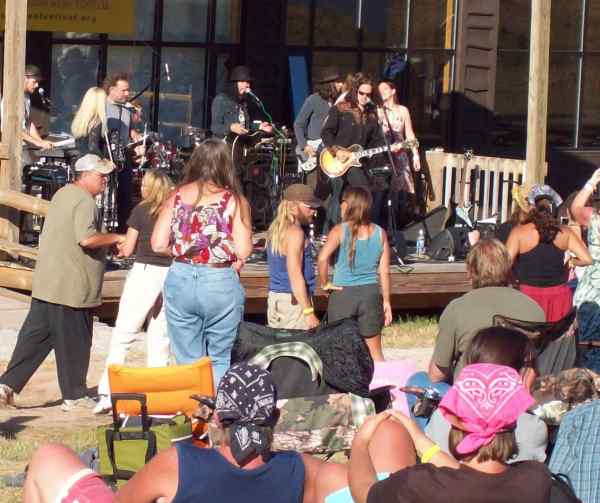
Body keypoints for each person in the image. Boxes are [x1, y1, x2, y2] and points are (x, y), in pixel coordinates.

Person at [23, 363, 325, 503]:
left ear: (216, 417)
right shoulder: (304, 471)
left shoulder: (180, 464)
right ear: (276, 416)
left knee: (50, 456)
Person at [0, 154, 125, 411]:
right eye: (101, 175)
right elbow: (86, 239)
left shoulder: (62, 194)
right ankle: (75, 396)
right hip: (71, 287)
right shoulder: (85, 201)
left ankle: (6, 386)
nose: (105, 180)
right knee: (76, 342)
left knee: (33, 340)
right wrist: (117, 238)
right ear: (86, 175)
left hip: (48, 283)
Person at [347, 364, 553, 503]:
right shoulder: (536, 479)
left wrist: (360, 442)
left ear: (456, 424)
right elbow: (474, 480)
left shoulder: (420, 484)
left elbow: (365, 493)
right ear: (513, 421)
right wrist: (419, 439)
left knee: (327, 474)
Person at [151, 139, 253, 387]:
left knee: (187, 359)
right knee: (220, 357)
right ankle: (216, 408)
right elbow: (243, 249)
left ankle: (194, 407)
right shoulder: (234, 200)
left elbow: (157, 244)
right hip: (218, 280)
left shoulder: (175, 196)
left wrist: (184, 249)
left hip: (180, 277)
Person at [94, 169, 174, 414]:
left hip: (146, 272)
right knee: (160, 337)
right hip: (171, 273)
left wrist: (118, 247)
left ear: (149, 187)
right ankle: (157, 394)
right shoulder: (175, 210)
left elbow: (127, 249)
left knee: (124, 333)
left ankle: (108, 392)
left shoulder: (141, 210)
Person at [427, 238, 545, 384]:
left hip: (471, 390)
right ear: (508, 269)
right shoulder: (534, 308)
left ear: (471, 272)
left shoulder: (457, 309)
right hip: (519, 390)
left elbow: (437, 375)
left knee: (418, 379)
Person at [425, 326, 548, 464]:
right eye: (533, 366)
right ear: (516, 373)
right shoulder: (532, 428)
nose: (538, 373)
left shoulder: (441, 417)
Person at [317, 186, 392, 361]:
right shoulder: (380, 233)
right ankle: (382, 378)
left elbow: (322, 258)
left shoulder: (339, 230)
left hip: (343, 293)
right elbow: (384, 271)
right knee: (375, 352)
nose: (340, 205)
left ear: (348, 204)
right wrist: (387, 300)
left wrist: (325, 283)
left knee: (339, 350)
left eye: (342, 201)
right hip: (370, 294)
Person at [507, 183, 591, 322]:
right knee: (558, 335)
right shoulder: (565, 232)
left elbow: (504, 265)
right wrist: (570, 262)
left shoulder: (519, 232)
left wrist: (514, 279)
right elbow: (587, 259)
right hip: (559, 297)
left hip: (527, 297)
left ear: (532, 207)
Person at [320, 73, 382, 230]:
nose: (365, 97)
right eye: (362, 93)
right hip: (337, 161)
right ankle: (329, 235)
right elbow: (326, 132)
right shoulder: (341, 108)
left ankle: (354, 231)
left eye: (369, 94)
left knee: (355, 198)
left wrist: (384, 150)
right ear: (355, 91)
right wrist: (336, 151)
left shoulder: (372, 114)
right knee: (346, 196)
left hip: (358, 162)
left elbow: (375, 141)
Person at [266, 184, 321, 330]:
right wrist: (308, 312)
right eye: (310, 207)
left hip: (277, 299)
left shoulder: (276, 230)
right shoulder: (295, 233)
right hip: (294, 304)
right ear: (294, 207)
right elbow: (295, 275)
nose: (314, 212)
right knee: (297, 344)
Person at [374, 80, 421, 225]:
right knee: (381, 191)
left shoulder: (403, 110)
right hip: (382, 155)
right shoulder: (377, 110)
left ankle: (398, 224)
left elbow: (409, 134)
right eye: (379, 89)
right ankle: (379, 223)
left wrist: (415, 155)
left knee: (401, 192)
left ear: (393, 91)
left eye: (385, 89)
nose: (381, 91)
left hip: (400, 155)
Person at [103, 72, 141, 231]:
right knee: (104, 196)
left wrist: (136, 139)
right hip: (105, 156)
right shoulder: (102, 107)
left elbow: (130, 130)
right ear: (111, 89)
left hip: (123, 157)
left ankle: (123, 232)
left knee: (125, 196)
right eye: (123, 90)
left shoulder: (127, 108)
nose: (127, 93)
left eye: (128, 90)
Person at [571, 168, 600, 372]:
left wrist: (591, 183)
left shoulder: (594, 218)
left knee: (584, 342)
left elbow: (575, 208)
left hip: (592, 288)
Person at [294, 67, 343, 182]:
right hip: (314, 148)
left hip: (331, 148)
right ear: (330, 84)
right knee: (314, 183)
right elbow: (298, 124)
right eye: (338, 82)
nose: (341, 84)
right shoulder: (313, 99)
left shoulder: (339, 101)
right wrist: (304, 146)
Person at [2, 65, 55, 165]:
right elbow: (14, 128)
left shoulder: (26, 97)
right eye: (34, 81)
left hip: (22, 148)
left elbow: (28, 123)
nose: (37, 85)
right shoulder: (12, 97)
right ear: (24, 78)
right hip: (10, 150)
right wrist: (38, 143)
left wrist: (41, 142)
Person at [210, 65, 272, 140]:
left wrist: (258, 126)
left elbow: (245, 125)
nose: (246, 85)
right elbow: (215, 128)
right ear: (234, 84)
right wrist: (231, 127)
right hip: (224, 144)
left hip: (239, 144)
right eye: (242, 81)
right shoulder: (221, 99)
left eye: (248, 82)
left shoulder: (243, 102)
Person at [71, 86, 109, 157]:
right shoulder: (97, 121)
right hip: (93, 161)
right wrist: (105, 160)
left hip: (80, 160)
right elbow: (93, 147)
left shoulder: (80, 120)